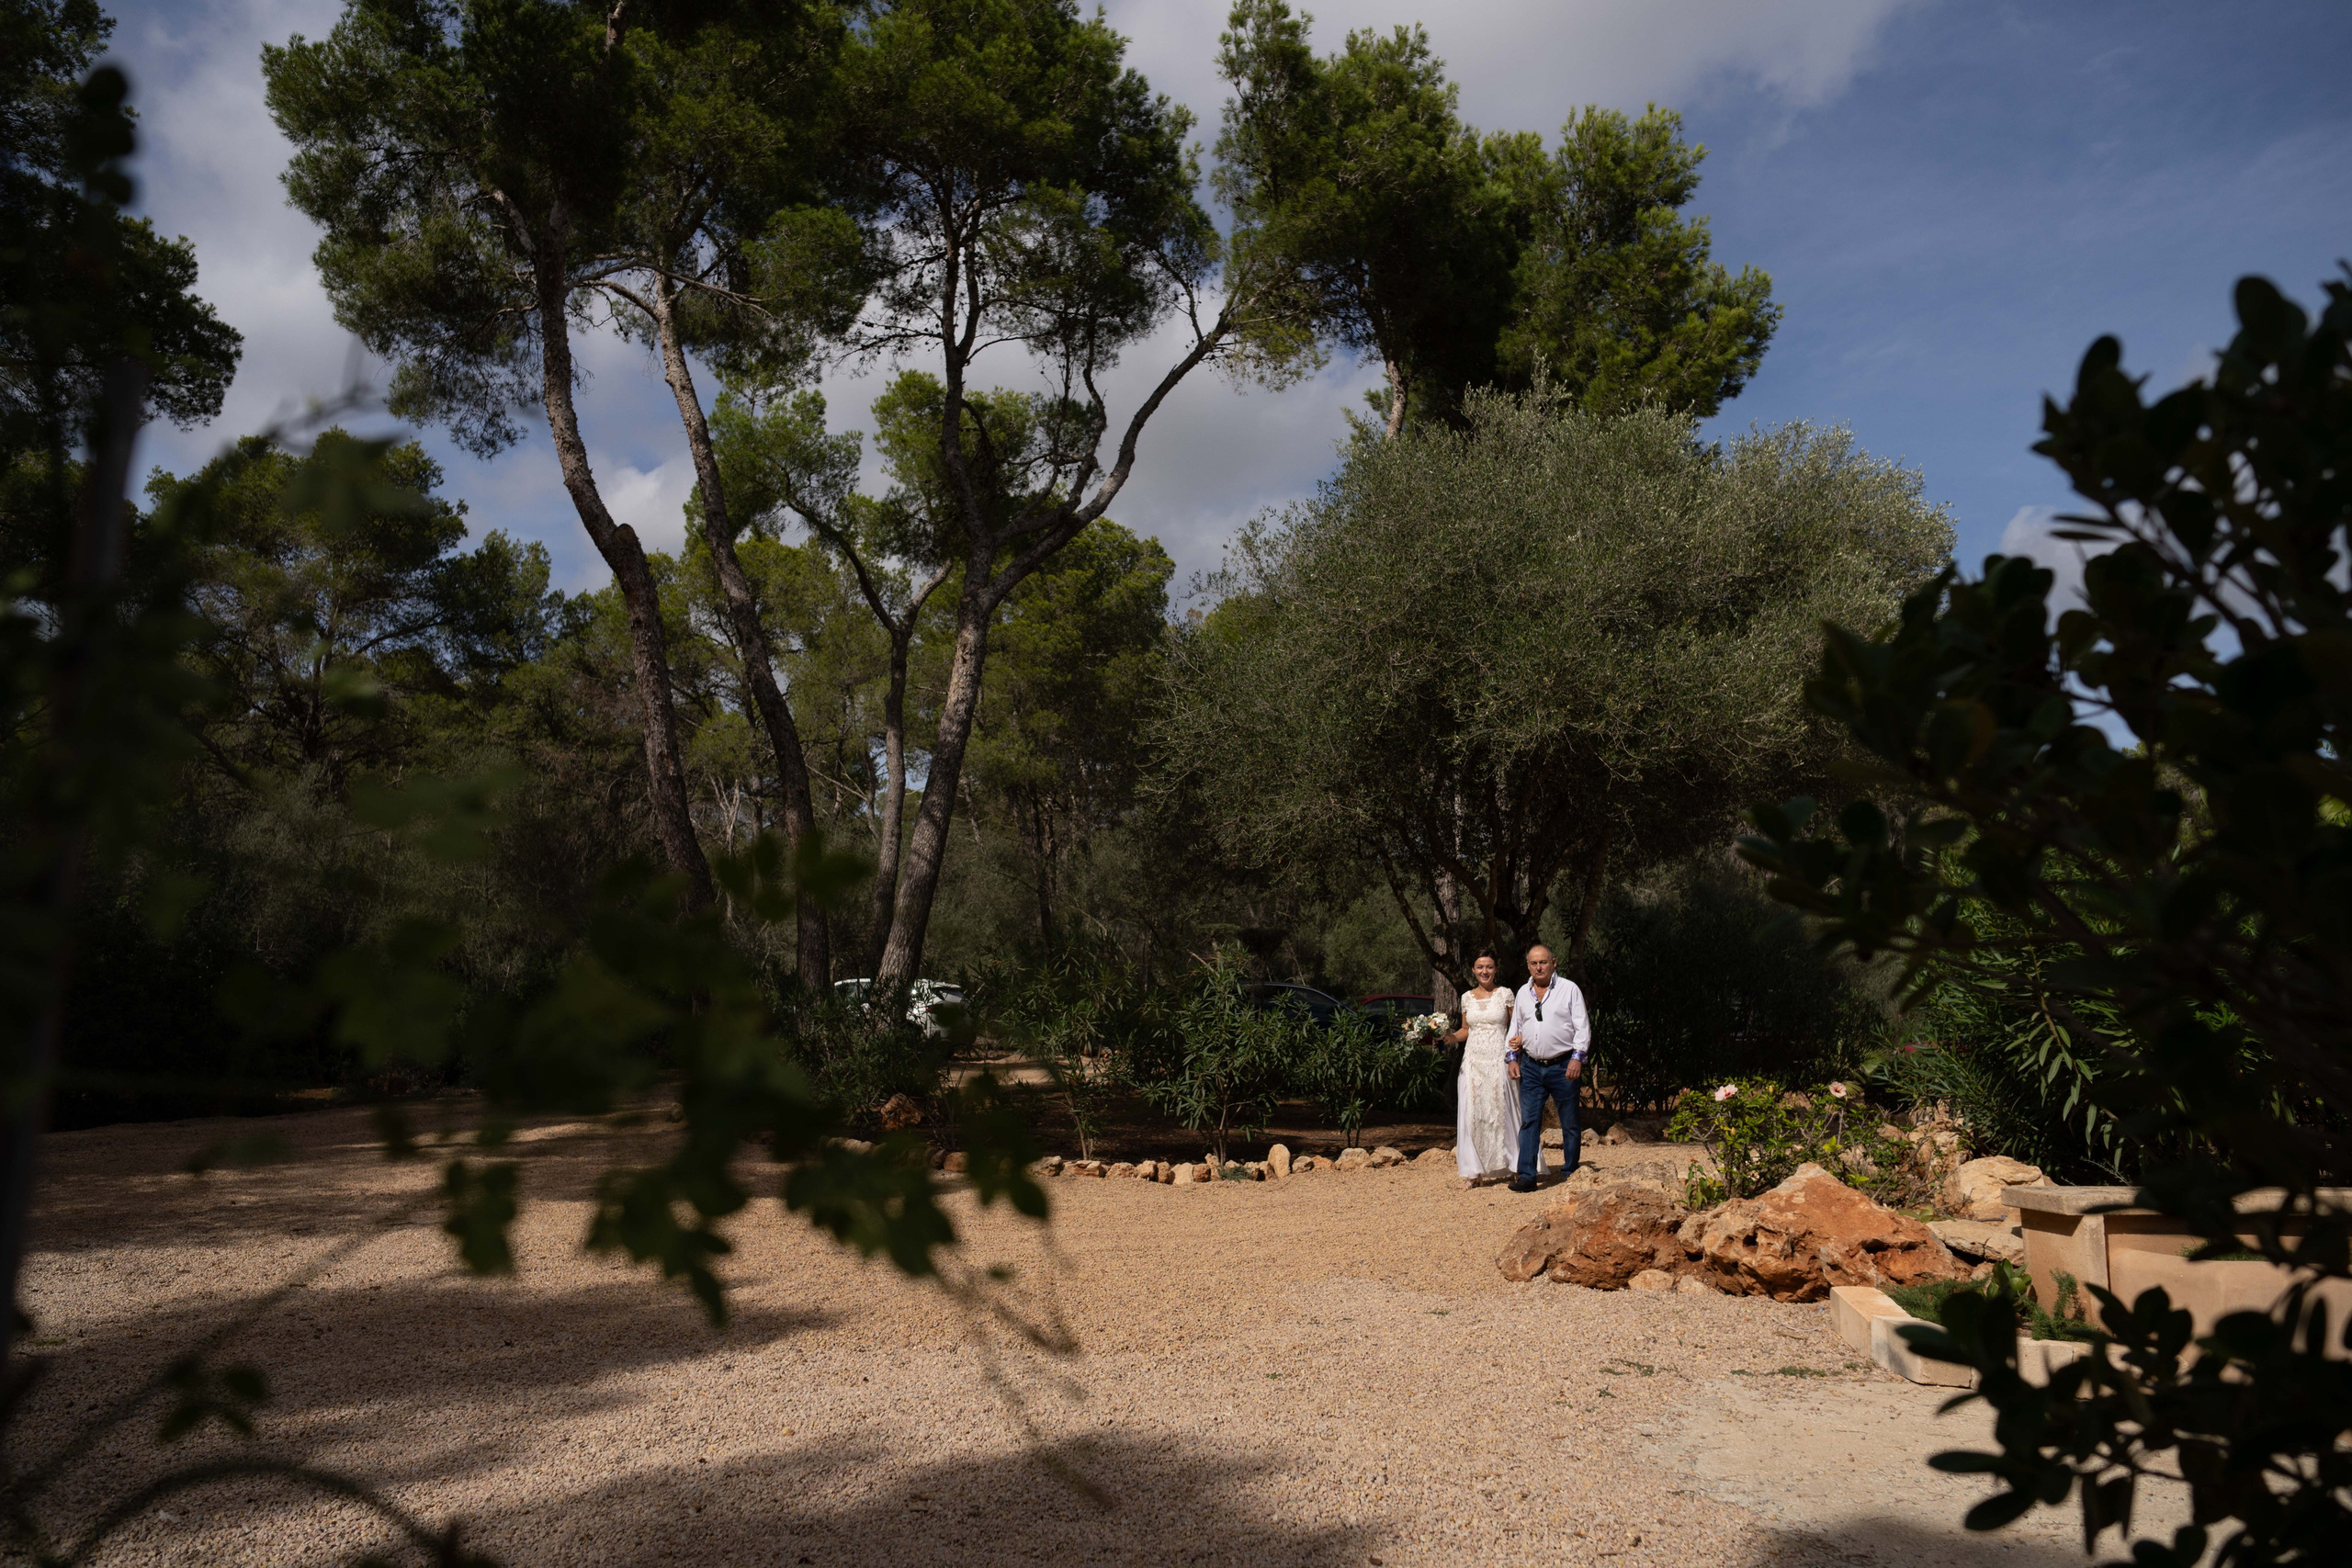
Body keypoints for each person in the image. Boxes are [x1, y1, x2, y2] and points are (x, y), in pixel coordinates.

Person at [1505, 943, 1589, 1191]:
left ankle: (1571, 1173)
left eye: (1543, 962)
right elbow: (1515, 1029)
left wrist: (1577, 1058)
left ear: (1554, 963)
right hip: (1531, 1066)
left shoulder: (1569, 990)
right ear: (1528, 966)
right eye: (1533, 963)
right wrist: (1511, 1057)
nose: (1538, 967)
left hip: (1563, 1066)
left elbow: (1582, 1027)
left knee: (1570, 1123)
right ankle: (1528, 1176)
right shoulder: (1523, 993)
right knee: (1529, 1122)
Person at [1443, 953, 1518, 1189]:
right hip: (1473, 1062)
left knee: (1505, 1112)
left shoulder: (1505, 994)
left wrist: (1518, 1045)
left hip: (1499, 1060)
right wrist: (1450, 1038)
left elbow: (1516, 1026)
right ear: (1473, 970)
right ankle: (1473, 1172)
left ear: (1496, 969)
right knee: (1472, 1113)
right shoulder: (1467, 997)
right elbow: (1466, 1029)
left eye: (1489, 967)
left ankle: (1517, 1165)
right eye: (1479, 967)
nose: (1484, 971)